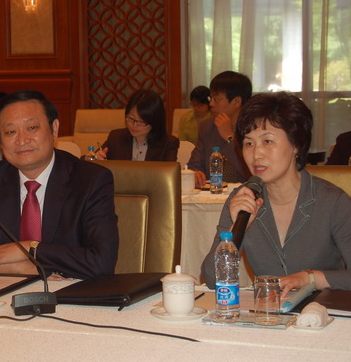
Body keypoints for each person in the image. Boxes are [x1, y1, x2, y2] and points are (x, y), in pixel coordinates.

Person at [0, 90, 119, 279]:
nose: (22, 140)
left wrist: (30, 248)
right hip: (4, 292)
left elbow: (101, 262)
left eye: (32, 128)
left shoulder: (90, 179)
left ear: (54, 129)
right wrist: (18, 268)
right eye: (10, 132)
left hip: (70, 293)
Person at [201, 92, 351, 294]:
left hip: (323, 308)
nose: (256, 154)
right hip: (268, 309)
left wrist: (309, 278)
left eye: (267, 141)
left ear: (296, 145)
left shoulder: (333, 202)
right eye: (249, 143)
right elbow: (212, 279)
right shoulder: (242, 199)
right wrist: (237, 229)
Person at [187, 71, 253, 188]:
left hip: (244, 193)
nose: (211, 103)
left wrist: (230, 137)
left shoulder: (253, 129)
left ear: (236, 102)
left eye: (216, 99)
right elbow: (193, 165)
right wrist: (195, 174)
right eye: (211, 98)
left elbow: (250, 173)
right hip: (210, 194)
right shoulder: (206, 126)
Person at [96, 89, 179, 161]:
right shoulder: (116, 138)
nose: (134, 125)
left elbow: (170, 172)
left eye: (141, 121)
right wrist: (95, 157)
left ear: (154, 121)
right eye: (131, 118)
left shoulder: (168, 143)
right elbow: (91, 159)